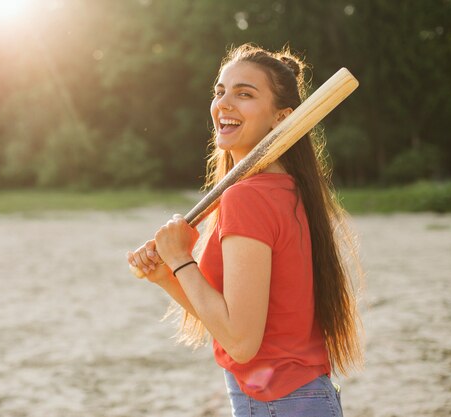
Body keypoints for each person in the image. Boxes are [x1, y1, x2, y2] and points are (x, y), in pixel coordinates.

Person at [127, 43, 363, 417]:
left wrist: (181, 258)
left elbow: (240, 342)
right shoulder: (288, 189)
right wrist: (168, 274)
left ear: (281, 117)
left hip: (278, 404)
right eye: (220, 91)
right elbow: (231, 318)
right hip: (302, 398)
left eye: (245, 94)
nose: (224, 103)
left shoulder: (248, 198)